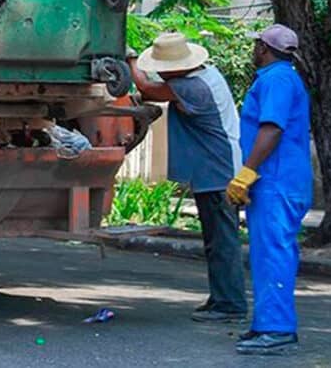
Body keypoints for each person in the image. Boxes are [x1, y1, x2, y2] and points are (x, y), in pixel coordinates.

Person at [128, 33, 247, 322]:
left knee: (222, 242)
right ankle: (221, 297)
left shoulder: (193, 87)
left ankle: (230, 305)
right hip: (217, 169)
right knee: (216, 241)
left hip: (218, 172)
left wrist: (129, 57)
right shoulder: (208, 75)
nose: (163, 72)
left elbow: (146, 88)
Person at [227, 24, 311, 356]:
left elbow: (272, 129)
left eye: (255, 45)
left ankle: (277, 328)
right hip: (278, 180)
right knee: (265, 254)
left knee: (274, 252)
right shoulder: (282, 77)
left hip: (276, 181)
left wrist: (247, 172)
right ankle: (267, 323)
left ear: (263, 47)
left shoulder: (276, 79)